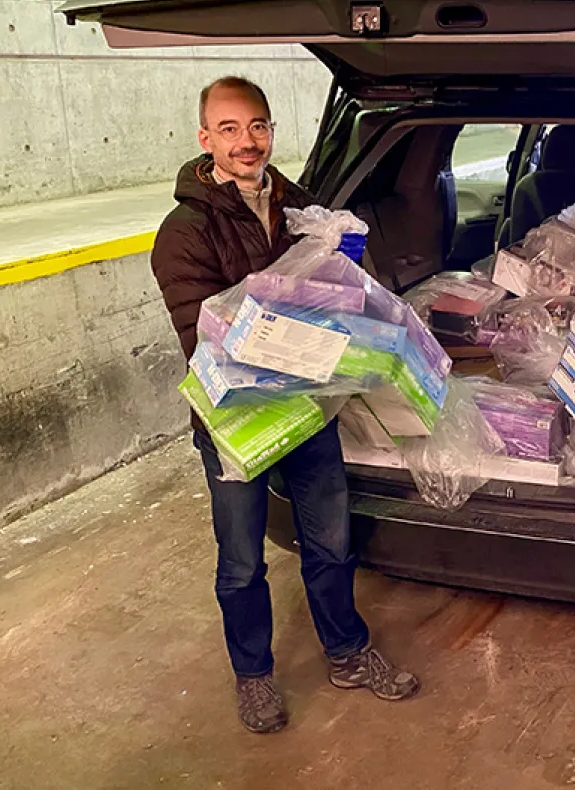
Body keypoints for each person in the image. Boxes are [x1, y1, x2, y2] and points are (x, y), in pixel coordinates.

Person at [149, 76, 418, 734]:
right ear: (205, 138)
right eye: (232, 129)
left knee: (330, 541)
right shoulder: (184, 231)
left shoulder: (303, 210)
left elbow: (346, 287)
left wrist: (353, 271)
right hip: (235, 418)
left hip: (310, 412)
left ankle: (348, 652)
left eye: (259, 126)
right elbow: (207, 334)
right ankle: (254, 675)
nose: (249, 141)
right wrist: (305, 324)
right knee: (241, 560)